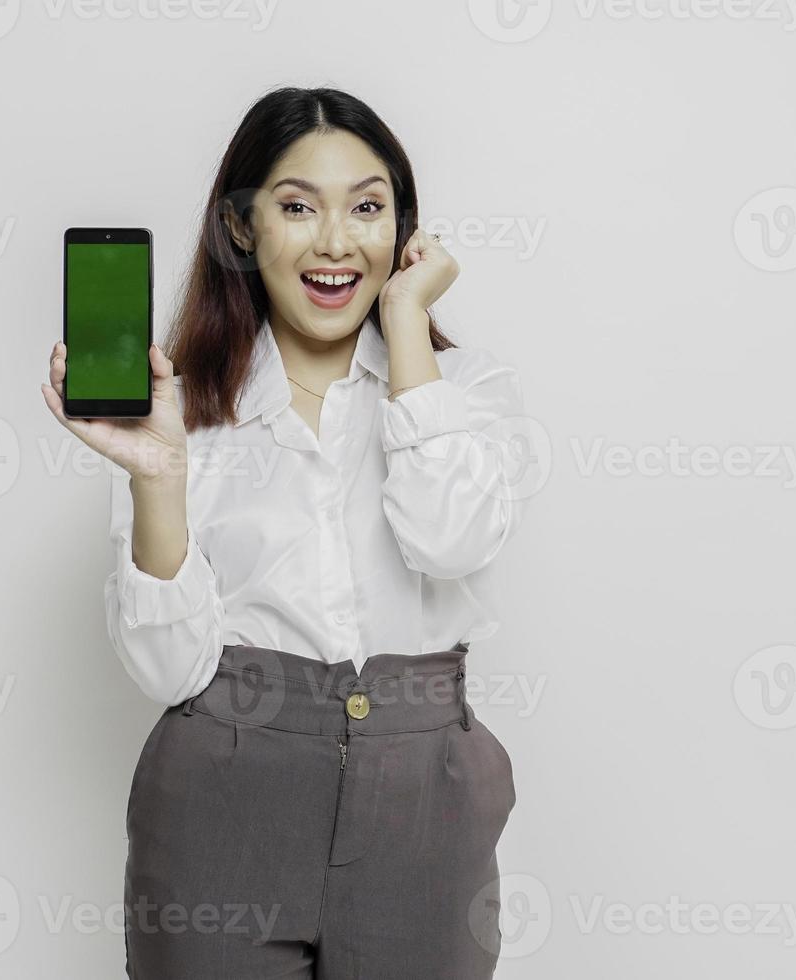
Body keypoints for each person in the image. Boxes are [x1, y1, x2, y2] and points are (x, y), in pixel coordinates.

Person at [41, 85, 527, 980]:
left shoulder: (465, 394)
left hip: (425, 799)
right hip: (222, 797)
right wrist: (158, 475)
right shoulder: (179, 409)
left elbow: (450, 541)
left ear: (405, 231)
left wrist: (406, 325)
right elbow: (169, 672)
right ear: (240, 228)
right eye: (298, 206)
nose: (337, 243)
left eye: (369, 208)